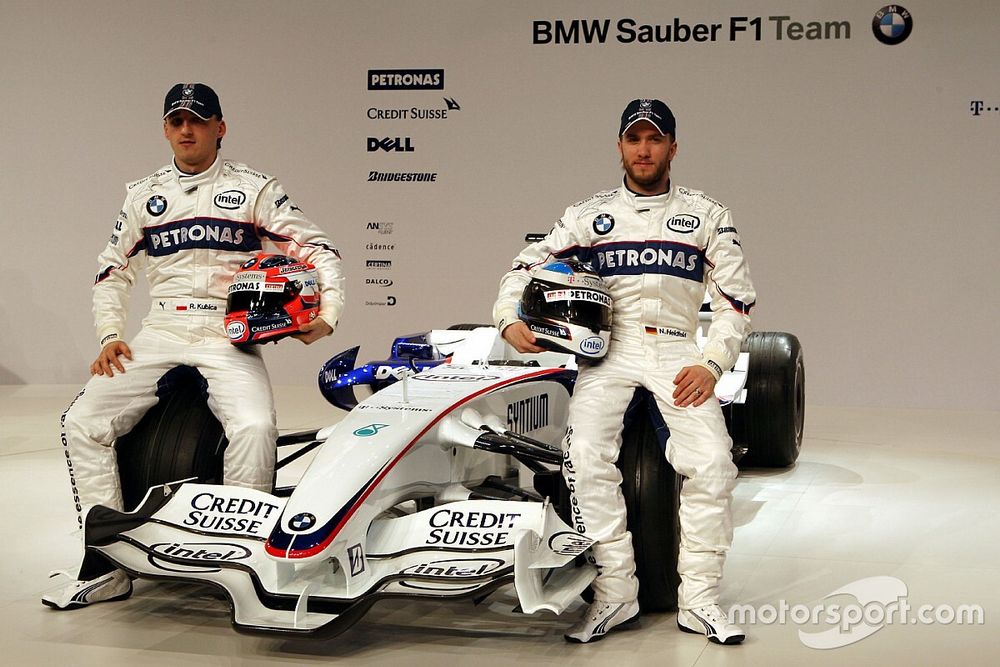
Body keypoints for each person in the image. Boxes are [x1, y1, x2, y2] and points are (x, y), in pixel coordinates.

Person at [42, 83, 345, 610]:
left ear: (219, 128)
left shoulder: (255, 188)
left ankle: (247, 566)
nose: (187, 130)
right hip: (160, 328)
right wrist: (110, 335)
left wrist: (328, 315)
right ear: (165, 129)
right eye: (177, 121)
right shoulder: (143, 194)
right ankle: (106, 565)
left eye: (198, 121)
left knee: (254, 428)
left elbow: (316, 247)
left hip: (228, 331)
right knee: (81, 422)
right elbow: (112, 271)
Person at [494, 99, 755, 644]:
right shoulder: (587, 214)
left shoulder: (709, 214)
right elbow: (526, 264)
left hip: (679, 350)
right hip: (608, 351)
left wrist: (712, 364)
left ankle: (700, 599)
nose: (644, 149)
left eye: (654, 139)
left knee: (713, 462)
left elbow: (734, 304)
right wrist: (507, 318)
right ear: (619, 146)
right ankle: (615, 595)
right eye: (634, 139)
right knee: (584, 458)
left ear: (673, 148)